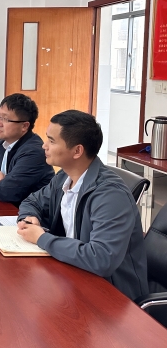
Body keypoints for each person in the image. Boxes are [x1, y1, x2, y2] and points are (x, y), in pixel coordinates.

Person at [17, 110, 148, 300]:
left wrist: (42, 238)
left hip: (114, 297)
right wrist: (29, 217)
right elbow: (32, 201)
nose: (44, 145)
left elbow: (101, 259)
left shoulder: (110, 194)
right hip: (74, 275)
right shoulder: (64, 177)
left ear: (77, 151)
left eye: (52, 141)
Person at [0, 93, 54, 205]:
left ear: (24, 126)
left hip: (29, 213)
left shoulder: (34, 152)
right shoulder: (2, 144)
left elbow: (5, 192)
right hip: (7, 209)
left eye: (5, 119)